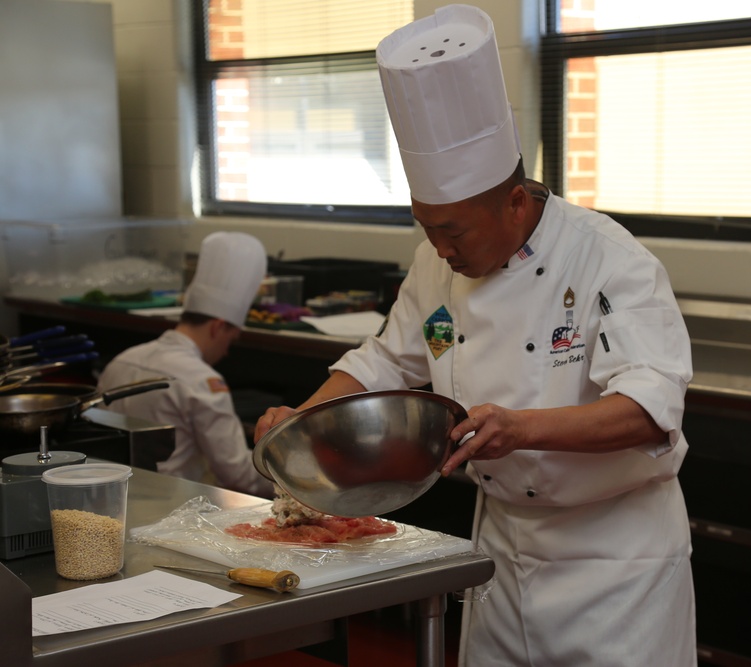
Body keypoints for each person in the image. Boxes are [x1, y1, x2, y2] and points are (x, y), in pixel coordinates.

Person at [255, 5, 696, 665]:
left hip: (613, 570)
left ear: (514, 201)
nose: (438, 247)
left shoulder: (608, 259)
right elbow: (383, 361)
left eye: (453, 230)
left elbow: (647, 410)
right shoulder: (436, 262)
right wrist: (300, 423)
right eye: (425, 226)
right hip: (499, 556)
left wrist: (519, 428)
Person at [99, 231, 273, 497]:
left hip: (113, 498)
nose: (226, 352)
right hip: (174, 508)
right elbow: (237, 475)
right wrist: (298, 484)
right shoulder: (201, 381)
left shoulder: (121, 359)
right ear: (218, 327)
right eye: (230, 340)